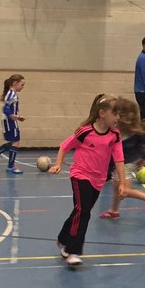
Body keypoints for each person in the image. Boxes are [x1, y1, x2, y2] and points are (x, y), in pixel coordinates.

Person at [50, 94, 125, 267]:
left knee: (80, 211)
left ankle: (63, 237)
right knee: (83, 212)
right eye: (115, 114)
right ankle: (73, 250)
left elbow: (119, 159)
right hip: (80, 175)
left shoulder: (115, 135)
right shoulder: (85, 132)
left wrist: (122, 182)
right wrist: (58, 164)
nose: (118, 118)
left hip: (98, 180)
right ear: (102, 113)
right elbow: (64, 146)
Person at [99, 98, 145, 219]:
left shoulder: (121, 132)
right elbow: (142, 148)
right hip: (127, 163)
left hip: (124, 165)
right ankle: (114, 210)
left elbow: (140, 148)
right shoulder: (129, 131)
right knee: (117, 188)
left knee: (124, 190)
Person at [0, 74, 25, 174]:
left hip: (9, 120)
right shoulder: (12, 94)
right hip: (10, 121)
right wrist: (15, 117)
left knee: (13, 142)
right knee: (16, 142)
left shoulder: (11, 93)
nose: (23, 87)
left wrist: (16, 117)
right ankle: (10, 167)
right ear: (15, 83)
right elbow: (6, 109)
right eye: (22, 84)